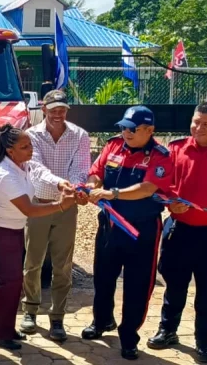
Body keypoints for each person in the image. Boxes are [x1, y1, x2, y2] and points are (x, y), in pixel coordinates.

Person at [79, 105, 173, 361]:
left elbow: (148, 187)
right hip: (110, 225)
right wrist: (91, 186)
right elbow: (96, 172)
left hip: (141, 229)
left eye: (132, 129)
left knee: (137, 284)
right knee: (103, 277)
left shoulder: (160, 155)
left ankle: (129, 336)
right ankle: (101, 321)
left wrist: (114, 193)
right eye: (123, 127)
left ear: (149, 130)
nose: (126, 133)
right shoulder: (113, 146)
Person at [146, 102, 207, 363]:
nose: (199, 127)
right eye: (196, 121)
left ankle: (203, 341)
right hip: (180, 231)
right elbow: (159, 187)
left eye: (206, 124)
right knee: (174, 285)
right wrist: (169, 201)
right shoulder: (175, 149)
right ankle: (168, 330)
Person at [0, 123, 76, 351]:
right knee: (10, 282)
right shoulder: (6, 175)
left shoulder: (22, 165)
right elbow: (31, 209)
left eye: (30, 145)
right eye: (25, 147)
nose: (30, 150)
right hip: (2, 232)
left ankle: (5, 327)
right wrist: (61, 206)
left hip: (14, 230)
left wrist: (59, 182)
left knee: (13, 283)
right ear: (10, 150)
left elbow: (41, 171)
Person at [21, 90, 91, 341]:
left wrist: (74, 188)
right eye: (54, 109)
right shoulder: (31, 135)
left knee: (62, 264)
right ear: (44, 108)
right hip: (39, 203)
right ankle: (30, 309)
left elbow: (82, 167)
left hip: (67, 206)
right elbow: (36, 168)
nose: (58, 114)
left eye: (62, 109)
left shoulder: (80, 135)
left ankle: (57, 316)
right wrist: (62, 184)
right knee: (33, 261)